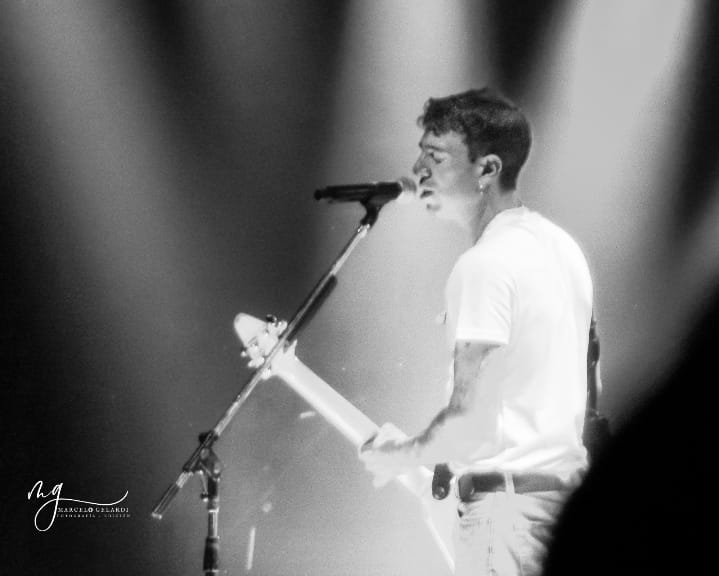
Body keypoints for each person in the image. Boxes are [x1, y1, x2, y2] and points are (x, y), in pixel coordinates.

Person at [359, 88, 593, 576]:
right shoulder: (562, 249)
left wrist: (399, 455)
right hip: (559, 505)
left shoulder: (485, 264)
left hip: (504, 517)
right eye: (421, 154)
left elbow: (470, 426)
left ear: (487, 169)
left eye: (436, 156)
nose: (418, 169)